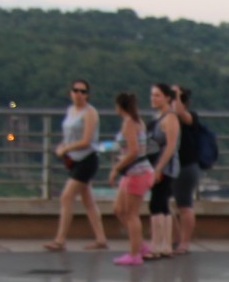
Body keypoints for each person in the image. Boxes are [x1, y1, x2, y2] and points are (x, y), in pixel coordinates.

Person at [44, 78, 107, 251]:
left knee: (66, 196)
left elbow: (86, 140)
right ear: (70, 92)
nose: (79, 94)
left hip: (87, 160)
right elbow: (68, 134)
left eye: (83, 91)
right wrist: (62, 146)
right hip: (73, 160)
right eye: (76, 90)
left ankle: (60, 240)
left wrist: (66, 149)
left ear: (87, 94)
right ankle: (101, 239)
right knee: (88, 200)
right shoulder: (71, 110)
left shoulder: (90, 112)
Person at [105, 92, 154, 267]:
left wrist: (116, 168)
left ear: (119, 106)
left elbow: (133, 151)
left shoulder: (129, 124)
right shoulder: (137, 121)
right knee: (119, 209)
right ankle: (139, 244)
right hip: (133, 173)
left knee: (132, 214)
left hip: (137, 173)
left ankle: (134, 254)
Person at [143, 83, 182, 263]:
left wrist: (158, 168)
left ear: (167, 97)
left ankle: (157, 244)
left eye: (157, 95)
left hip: (165, 167)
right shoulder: (157, 117)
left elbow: (171, 146)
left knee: (157, 203)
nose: (153, 98)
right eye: (152, 95)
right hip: (157, 165)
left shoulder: (170, 118)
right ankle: (164, 245)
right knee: (162, 204)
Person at [168, 85, 203, 255]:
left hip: (186, 166)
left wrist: (177, 95)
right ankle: (175, 239)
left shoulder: (190, 117)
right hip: (171, 166)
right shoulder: (167, 117)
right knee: (165, 203)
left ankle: (184, 242)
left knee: (184, 204)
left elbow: (182, 113)